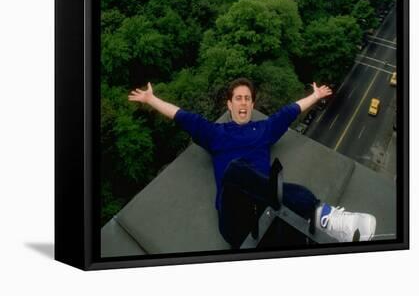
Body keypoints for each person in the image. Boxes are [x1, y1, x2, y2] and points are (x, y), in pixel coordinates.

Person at [128, 77, 376, 248]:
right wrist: (151, 99)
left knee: (283, 191)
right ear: (229, 104)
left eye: (247, 98)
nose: (243, 102)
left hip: (272, 210)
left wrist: (315, 95)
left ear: (253, 104)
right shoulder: (215, 133)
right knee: (237, 171)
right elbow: (182, 116)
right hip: (236, 219)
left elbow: (290, 112)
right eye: (238, 98)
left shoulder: (264, 129)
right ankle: (323, 218)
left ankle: (331, 221)